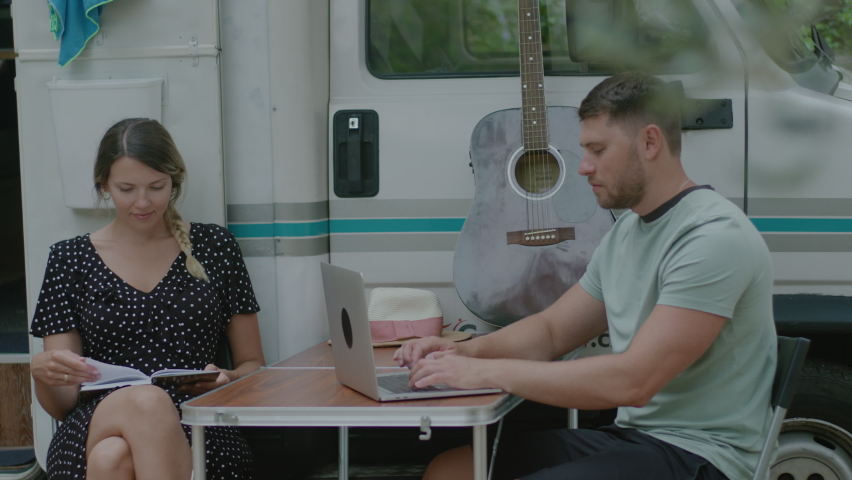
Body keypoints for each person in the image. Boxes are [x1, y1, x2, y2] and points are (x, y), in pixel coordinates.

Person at [395, 72, 777, 480]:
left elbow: (635, 381)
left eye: (597, 150)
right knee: (452, 469)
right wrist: (463, 354)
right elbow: (552, 332)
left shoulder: (711, 237)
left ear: (650, 142)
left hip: (701, 457)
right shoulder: (628, 231)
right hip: (636, 439)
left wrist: (484, 373)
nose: (583, 167)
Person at [29, 118, 265, 480]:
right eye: (126, 189)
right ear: (104, 186)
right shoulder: (70, 259)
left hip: (199, 420)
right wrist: (44, 376)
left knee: (111, 459)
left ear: (174, 182)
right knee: (146, 402)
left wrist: (229, 377)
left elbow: (254, 367)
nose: (142, 202)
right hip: (94, 421)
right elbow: (63, 407)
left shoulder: (215, 246)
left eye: (156, 187)